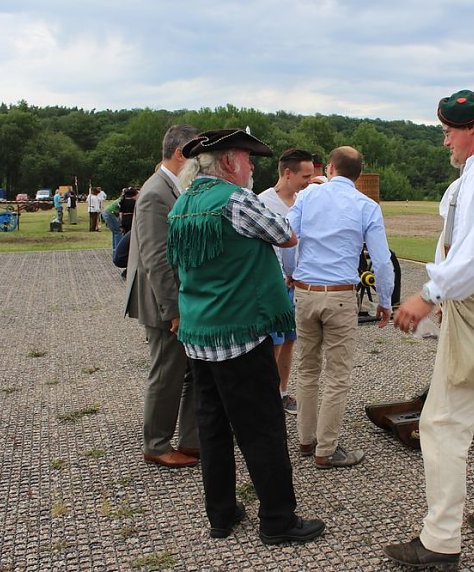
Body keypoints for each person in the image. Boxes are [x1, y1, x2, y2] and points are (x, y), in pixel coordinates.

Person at [383, 90, 474, 569]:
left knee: (442, 424)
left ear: (472, 128)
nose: (445, 138)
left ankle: (440, 540)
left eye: (449, 129)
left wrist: (428, 295)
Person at [167, 128, 325, 544]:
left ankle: (221, 514)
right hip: (239, 333)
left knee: (213, 428)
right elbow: (286, 234)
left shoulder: (183, 204)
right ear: (228, 162)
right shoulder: (235, 200)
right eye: (248, 158)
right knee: (262, 428)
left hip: (199, 336)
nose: (253, 166)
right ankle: (277, 519)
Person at [285, 146, 394, 469]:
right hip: (341, 295)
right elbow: (382, 261)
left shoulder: (306, 197)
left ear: (329, 168)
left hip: (305, 291)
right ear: (358, 176)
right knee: (337, 374)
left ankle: (306, 439)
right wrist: (385, 301)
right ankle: (326, 448)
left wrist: (292, 273)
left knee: (306, 369)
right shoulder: (366, 205)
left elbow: (288, 238)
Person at [124, 124, 202, 468]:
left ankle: (191, 439)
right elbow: (156, 258)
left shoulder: (171, 186)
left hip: (173, 299)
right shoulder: (157, 192)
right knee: (167, 372)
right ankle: (156, 444)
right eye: (196, 153)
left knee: (188, 372)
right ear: (179, 154)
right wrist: (173, 309)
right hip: (161, 302)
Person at [258, 148, 315, 415]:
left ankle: (282, 391)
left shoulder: (305, 201)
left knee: (290, 340)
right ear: (287, 173)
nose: (308, 181)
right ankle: (265, 396)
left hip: (300, 283)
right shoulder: (263, 202)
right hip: (274, 283)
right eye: (305, 175)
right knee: (273, 342)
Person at [102, 191, 124, 257]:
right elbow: (121, 212)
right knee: (118, 232)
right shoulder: (122, 201)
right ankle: (118, 252)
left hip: (107, 212)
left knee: (115, 232)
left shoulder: (120, 199)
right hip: (109, 213)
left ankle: (115, 250)